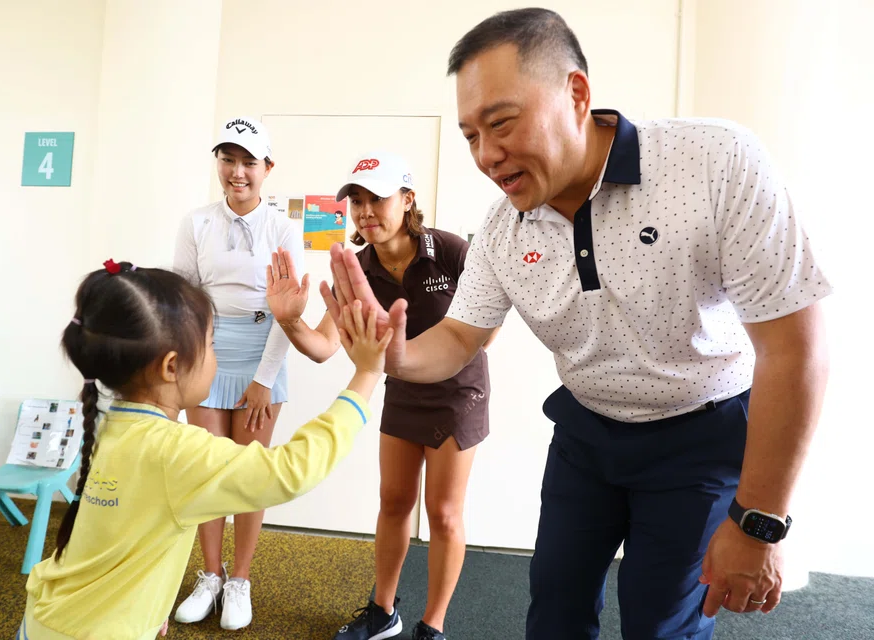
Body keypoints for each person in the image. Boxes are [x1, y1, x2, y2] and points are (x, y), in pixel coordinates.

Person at [323, 8, 832, 640]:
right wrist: (389, 356)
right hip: (586, 437)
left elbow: (794, 348)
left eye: (501, 122)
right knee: (555, 612)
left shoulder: (713, 161)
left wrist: (760, 519)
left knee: (658, 625)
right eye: (470, 135)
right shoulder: (503, 228)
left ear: (577, 94)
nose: (486, 154)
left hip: (702, 438)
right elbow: (459, 338)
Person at [18, 259, 392, 640]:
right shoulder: (174, 451)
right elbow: (293, 470)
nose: (216, 356)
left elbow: (115, 534)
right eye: (212, 344)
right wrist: (366, 375)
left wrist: (149, 606)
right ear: (171, 366)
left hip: (44, 617)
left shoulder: (104, 423)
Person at [265, 151, 492, 640]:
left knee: (444, 513)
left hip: (458, 394)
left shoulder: (450, 250)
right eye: (357, 201)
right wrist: (288, 319)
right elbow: (324, 347)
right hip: (403, 392)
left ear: (408, 199)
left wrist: (420, 347)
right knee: (393, 501)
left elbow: (485, 333)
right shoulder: (357, 266)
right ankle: (383, 612)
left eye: (378, 198)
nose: (366, 211)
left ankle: (433, 624)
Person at [172, 116, 303, 630]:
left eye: (249, 161)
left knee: (250, 473)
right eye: (229, 159)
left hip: (262, 349)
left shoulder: (282, 227)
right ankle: (210, 574)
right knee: (208, 470)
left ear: (267, 168)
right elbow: (183, 298)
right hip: (206, 351)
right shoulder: (196, 222)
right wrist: (190, 362)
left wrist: (265, 378)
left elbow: (286, 310)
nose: (238, 171)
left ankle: (240, 579)